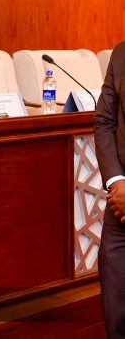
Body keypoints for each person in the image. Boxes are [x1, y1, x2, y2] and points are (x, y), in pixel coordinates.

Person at [94, 41, 125, 338]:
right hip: (121, 206)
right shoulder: (121, 53)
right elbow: (104, 121)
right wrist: (117, 182)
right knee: (116, 312)